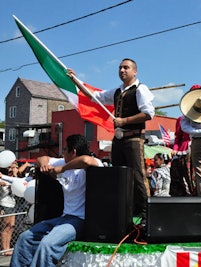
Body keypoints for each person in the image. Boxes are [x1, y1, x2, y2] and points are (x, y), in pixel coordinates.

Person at [68, 58, 154, 221]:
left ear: (134, 71)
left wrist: (124, 121)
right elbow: (94, 96)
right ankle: (125, 210)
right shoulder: (116, 91)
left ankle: (146, 213)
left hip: (134, 138)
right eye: (120, 68)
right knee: (120, 175)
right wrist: (75, 80)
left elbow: (148, 113)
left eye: (126, 68)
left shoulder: (141, 89)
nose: (122, 70)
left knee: (137, 175)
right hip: (119, 140)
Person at [10, 134, 103, 267]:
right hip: (64, 217)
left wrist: (62, 169)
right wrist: (44, 166)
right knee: (25, 238)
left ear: (73, 152)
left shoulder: (93, 164)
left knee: (47, 244)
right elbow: (42, 158)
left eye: (65, 149)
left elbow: (86, 160)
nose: (62, 152)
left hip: (80, 220)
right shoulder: (63, 161)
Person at [169, 115, 193, 196]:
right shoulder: (181, 119)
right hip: (185, 150)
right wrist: (175, 148)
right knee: (182, 175)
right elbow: (178, 137)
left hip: (199, 147)